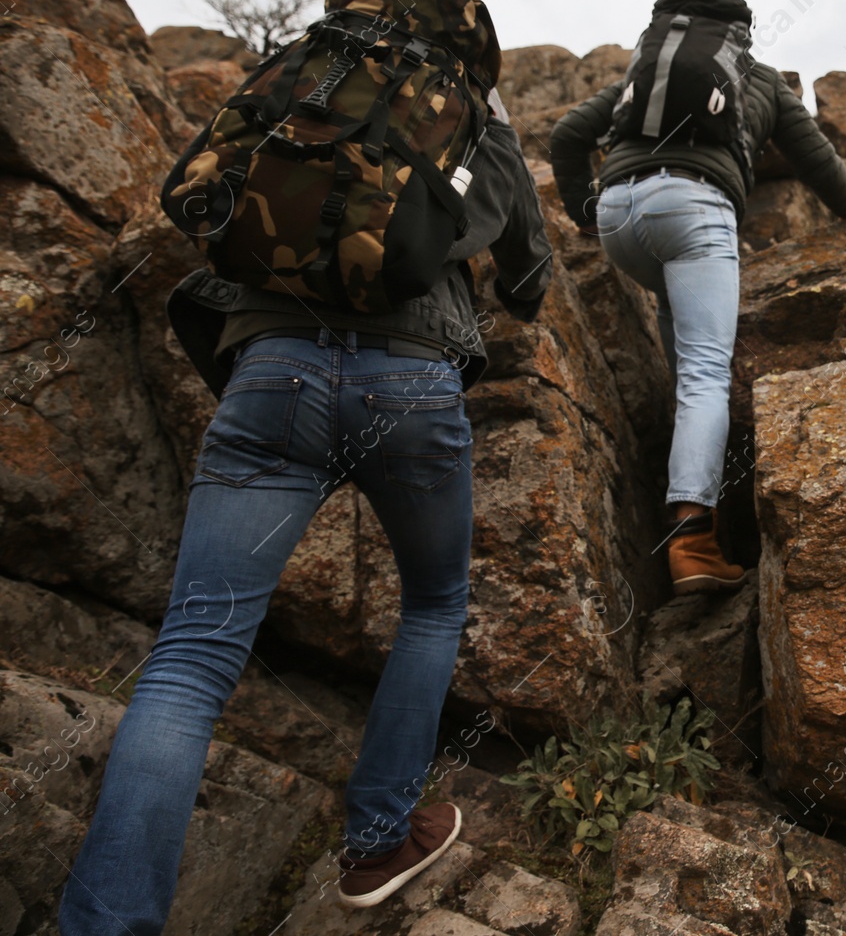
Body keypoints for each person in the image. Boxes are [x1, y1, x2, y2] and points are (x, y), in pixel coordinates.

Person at [56, 88, 552, 933]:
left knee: (191, 655)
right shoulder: (476, 118)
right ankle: (379, 839)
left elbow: (198, 197)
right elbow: (530, 279)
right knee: (433, 603)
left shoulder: (305, 92)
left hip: (271, 370)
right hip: (411, 378)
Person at [551, 0, 846, 598]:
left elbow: (568, 135)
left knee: (684, 354)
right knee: (706, 374)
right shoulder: (762, 79)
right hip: (693, 206)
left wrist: (586, 216)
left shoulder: (641, 76)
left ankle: (698, 505)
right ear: (739, 36)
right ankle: (693, 542)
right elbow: (812, 152)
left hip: (620, 214)